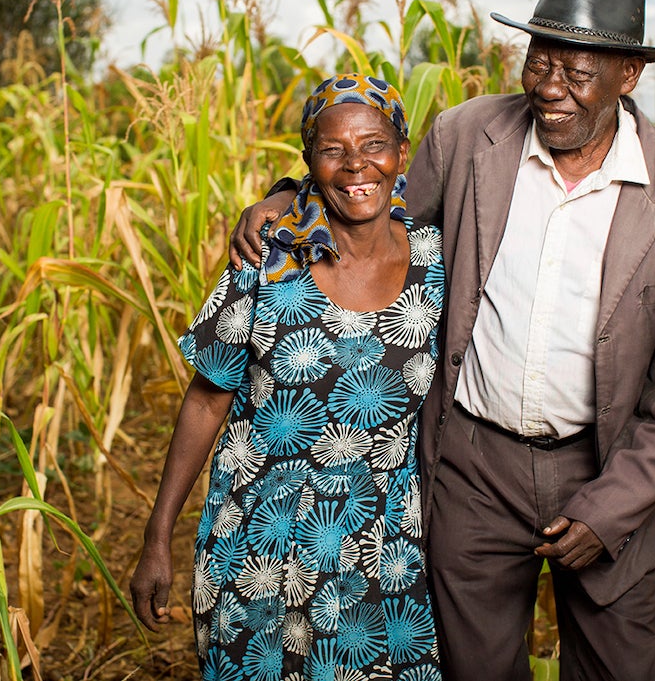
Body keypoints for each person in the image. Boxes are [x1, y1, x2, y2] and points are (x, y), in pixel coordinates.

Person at [230, 0, 655, 681]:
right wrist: (291, 197)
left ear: (630, 76)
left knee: (618, 667)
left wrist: (613, 505)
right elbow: (376, 212)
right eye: (540, 60)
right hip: (472, 466)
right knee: (476, 668)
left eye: (577, 71)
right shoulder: (468, 137)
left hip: (603, 472)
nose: (550, 87)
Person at [131, 74, 444, 680]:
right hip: (257, 550)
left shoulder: (439, 261)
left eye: (374, 144)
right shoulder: (269, 258)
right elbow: (205, 399)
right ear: (309, 163)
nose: (356, 165)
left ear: (401, 154)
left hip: (389, 560)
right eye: (332, 150)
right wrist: (156, 535)